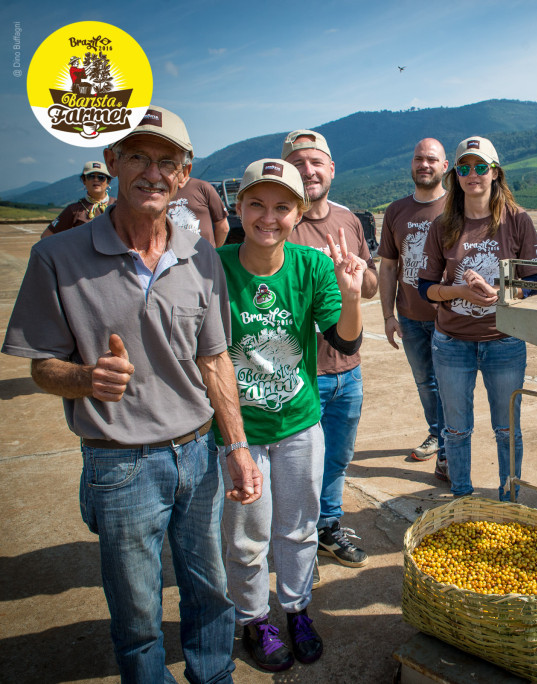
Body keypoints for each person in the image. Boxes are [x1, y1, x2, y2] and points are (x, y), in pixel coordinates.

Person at [2, 106, 261, 682]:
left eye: (168, 161)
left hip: (197, 453)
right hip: (118, 462)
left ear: (186, 173)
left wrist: (237, 446)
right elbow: (40, 367)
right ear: (112, 162)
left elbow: (215, 358)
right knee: (138, 608)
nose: (153, 172)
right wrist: (84, 378)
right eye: (138, 156)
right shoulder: (57, 257)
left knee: (210, 589)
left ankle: (213, 675)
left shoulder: (199, 255)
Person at [217, 158, 365, 672]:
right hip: (240, 431)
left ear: (297, 211)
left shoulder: (312, 265)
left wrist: (351, 295)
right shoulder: (217, 265)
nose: (268, 216)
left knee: (299, 528)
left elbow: (345, 339)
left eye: (282, 206)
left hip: (300, 424)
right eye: (256, 203)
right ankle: (254, 619)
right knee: (246, 534)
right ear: (240, 207)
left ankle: (297, 610)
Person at [417, 135, 537, 500]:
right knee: (455, 430)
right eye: (464, 167)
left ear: (495, 172)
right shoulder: (442, 225)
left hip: (503, 340)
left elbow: (534, 282)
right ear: (455, 175)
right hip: (451, 343)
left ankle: (509, 501)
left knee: (507, 430)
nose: (473, 174)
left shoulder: (517, 220)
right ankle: (462, 499)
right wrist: (460, 291)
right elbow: (425, 288)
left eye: (480, 167)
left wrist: (502, 292)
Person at [282, 129, 379, 568]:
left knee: (337, 457)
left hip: (348, 368)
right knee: (298, 466)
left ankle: (327, 528)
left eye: (315, 162)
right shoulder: (281, 221)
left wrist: (357, 275)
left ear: (331, 168)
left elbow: (373, 286)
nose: (308, 171)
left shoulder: (349, 221)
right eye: (298, 163)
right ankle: (296, 546)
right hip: (301, 373)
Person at [379, 138, 449, 478]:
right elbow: (389, 266)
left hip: (449, 318)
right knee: (425, 382)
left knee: (449, 382)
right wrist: (389, 316)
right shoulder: (396, 211)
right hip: (409, 317)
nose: (424, 164)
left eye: (431, 159)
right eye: (419, 158)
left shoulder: (456, 207)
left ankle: (450, 444)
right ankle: (437, 433)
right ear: (411, 164)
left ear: (444, 166)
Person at [41, 161, 114, 237]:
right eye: (91, 176)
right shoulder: (73, 210)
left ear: (108, 181)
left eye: (101, 177)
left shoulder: (118, 205)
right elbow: (46, 236)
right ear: (84, 180)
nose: (96, 180)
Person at [168, 176, 230, 246]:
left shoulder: (203, 187)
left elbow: (223, 227)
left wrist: (214, 252)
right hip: (171, 254)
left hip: (204, 255)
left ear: (187, 169)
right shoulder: (160, 191)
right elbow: (223, 228)